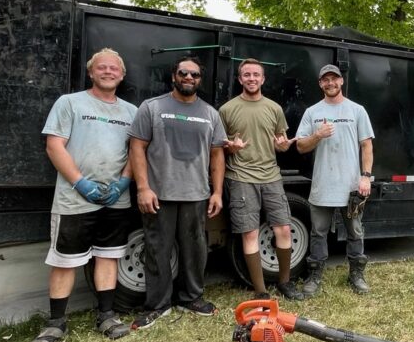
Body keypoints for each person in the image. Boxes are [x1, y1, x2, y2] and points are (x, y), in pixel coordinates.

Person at [29, 48, 137, 342]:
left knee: (109, 256)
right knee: (65, 261)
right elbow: (54, 146)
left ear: (122, 75)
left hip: (115, 199)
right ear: (91, 72)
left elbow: (136, 152)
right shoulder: (70, 103)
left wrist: (124, 182)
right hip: (75, 198)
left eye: (113, 68)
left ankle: (106, 315)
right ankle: (55, 323)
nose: (107, 72)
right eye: (101, 68)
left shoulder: (131, 111)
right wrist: (80, 182)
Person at [128, 55, 226, 328]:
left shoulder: (210, 113)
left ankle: (192, 297)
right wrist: (143, 188)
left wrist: (216, 192)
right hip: (159, 194)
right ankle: (158, 305)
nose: (189, 78)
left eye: (195, 75)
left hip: (196, 194)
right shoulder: (152, 107)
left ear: (199, 80)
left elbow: (217, 154)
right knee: (157, 249)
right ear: (174, 76)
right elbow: (137, 147)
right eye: (184, 73)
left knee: (196, 250)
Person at [219, 58, 303, 300]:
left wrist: (284, 146)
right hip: (241, 178)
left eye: (256, 74)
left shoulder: (274, 108)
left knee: (284, 228)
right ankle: (260, 291)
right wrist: (230, 149)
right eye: (247, 75)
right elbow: (218, 148)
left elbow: (281, 144)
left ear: (263, 79)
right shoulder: (227, 110)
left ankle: (285, 282)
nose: (252, 78)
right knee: (250, 233)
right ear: (239, 79)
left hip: (271, 176)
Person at [295, 64, 375, 295]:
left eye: (334, 79)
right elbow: (300, 146)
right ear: (320, 84)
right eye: (325, 80)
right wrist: (317, 135)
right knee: (318, 233)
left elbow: (366, 145)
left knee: (355, 232)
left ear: (341, 81)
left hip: (351, 187)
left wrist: (366, 177)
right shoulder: (312, 112)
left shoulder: (357, 110)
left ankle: (356, 275)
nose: (330, 83)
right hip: (322, 187)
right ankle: (315, 276)